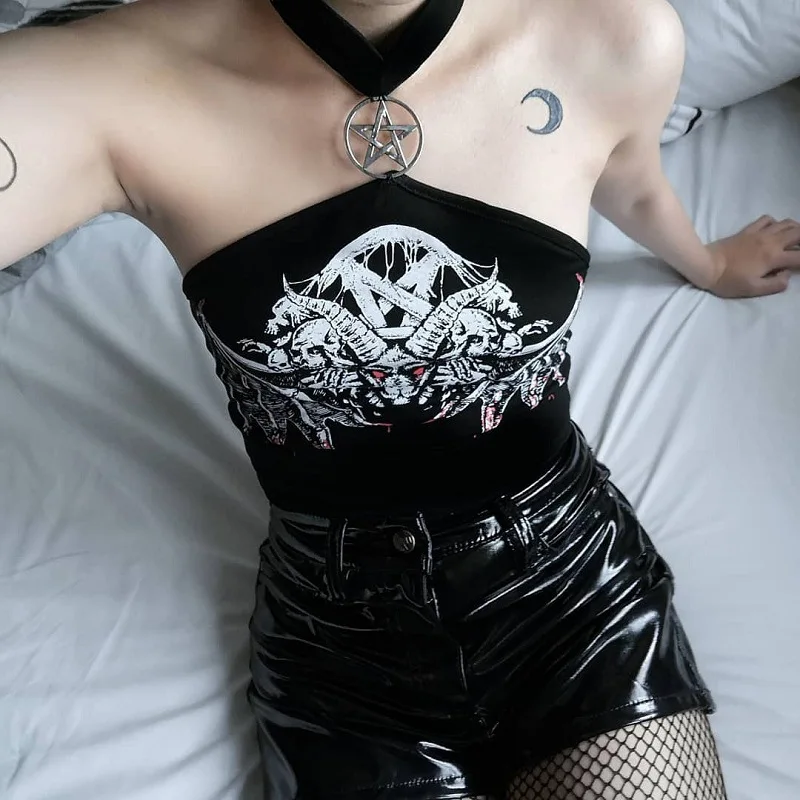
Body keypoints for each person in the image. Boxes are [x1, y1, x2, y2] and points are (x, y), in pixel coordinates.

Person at [2, 0, 799, 798]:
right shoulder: (113, 79)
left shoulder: (612, 33)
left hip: (569, 585)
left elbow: (633, 181)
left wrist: (707, 264)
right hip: (336, 634)